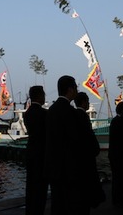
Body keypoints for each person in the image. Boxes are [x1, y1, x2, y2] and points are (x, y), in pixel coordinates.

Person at [44, 75, 80, 215]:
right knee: (69, 204)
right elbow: (74, 140)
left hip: (53, 167)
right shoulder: (70, 112)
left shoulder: (51, 110)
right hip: (68, 167)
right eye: (76, 87)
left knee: (57, 203)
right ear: (70, 89)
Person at [74, 91, 105, 213]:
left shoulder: (74, 115)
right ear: (84, 102)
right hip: (86, 158)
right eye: (87, 101)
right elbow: (89, 137)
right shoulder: (83, 117)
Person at [23, 85, 48, 215]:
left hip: (31, 151)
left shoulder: (27, 114)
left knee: (31, 185)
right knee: (41, 187)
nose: (45, 97)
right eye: (43, 94)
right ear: (39, 96)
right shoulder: (44, 114)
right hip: (42, 153)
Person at [108, 100, 123, 207]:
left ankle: (116, 199)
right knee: (120, 179)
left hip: (113, 154)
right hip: (119, 155)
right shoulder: (121, 122)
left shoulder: (114, 121)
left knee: (116, 179)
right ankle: (119, 200)